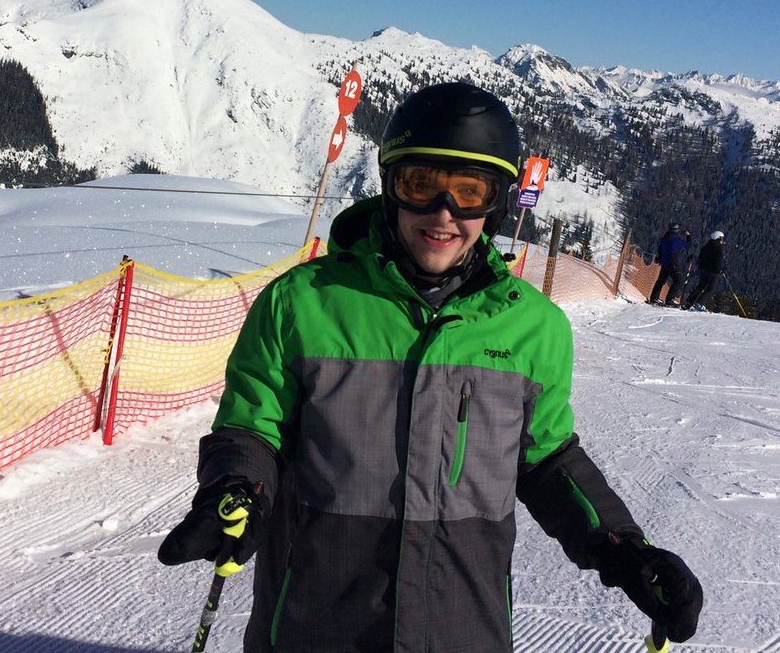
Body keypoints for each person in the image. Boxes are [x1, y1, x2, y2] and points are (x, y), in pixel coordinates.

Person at [158, 81, 703, 651]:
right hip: (314, 626)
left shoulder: (533, 328)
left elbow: (546, 461)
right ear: (390, 187)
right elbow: (252, 426)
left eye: (469, 191)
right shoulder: (301, 303)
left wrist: (623, 550)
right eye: (420, 185)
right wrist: (238, 486)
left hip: (462, 629)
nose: (443, 213)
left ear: (495, 203)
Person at [649, 222, 691, 306]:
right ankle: (670, 299)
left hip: (664, 263)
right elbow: (688, 244)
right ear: (677, 230)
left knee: (661, 280)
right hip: (673, 263)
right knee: (678, 280)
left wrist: (659, 259)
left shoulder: (663, 240)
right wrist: (688, 235)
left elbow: (660, 250)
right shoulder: (676, 241)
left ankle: (654, 298)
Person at [683, 231, 725, 310]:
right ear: (718, 238)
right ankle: (699, 304)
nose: (722, 240)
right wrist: (721, 270)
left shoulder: (706, 246)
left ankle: (689, 302)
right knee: (710, 289)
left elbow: (701, 258)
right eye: (721, 238)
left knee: (700, 287)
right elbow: (718, 262)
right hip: (713, 272)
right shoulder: (719, 249)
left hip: (704, 270)